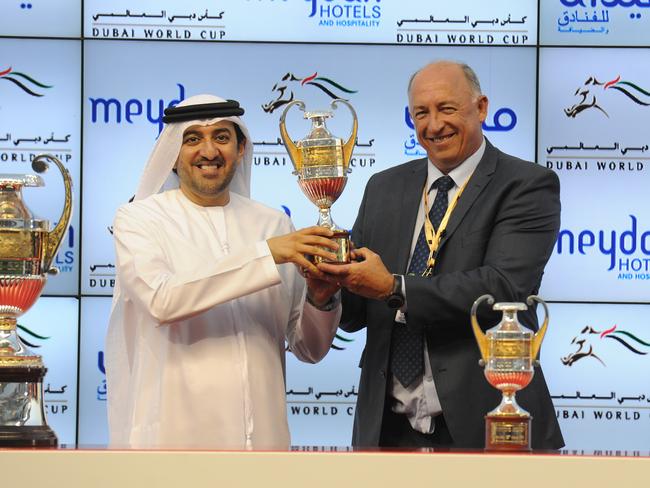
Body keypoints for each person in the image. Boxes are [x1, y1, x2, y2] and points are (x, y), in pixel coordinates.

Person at [318, 61, 564, 449]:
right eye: (421, 113)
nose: (434, 125)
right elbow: (353, 315)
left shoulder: (526, 185)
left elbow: (503, 287)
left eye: (446, 109)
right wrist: (325, 290)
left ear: (481, 108)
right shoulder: (383, 187)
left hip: (486, 424)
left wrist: (394, 287)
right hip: (386, 432)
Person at [105, 94, 341, 450]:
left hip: (264, 444)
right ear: (173, 152)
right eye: (193, 138)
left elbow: (308, 347)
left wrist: (321, 299)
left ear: (241, 147)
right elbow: (162, 301)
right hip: (174, 444)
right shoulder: (139, 219)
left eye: (222, 137)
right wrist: (267, 255)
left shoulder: (274, 223)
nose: (209, 150)